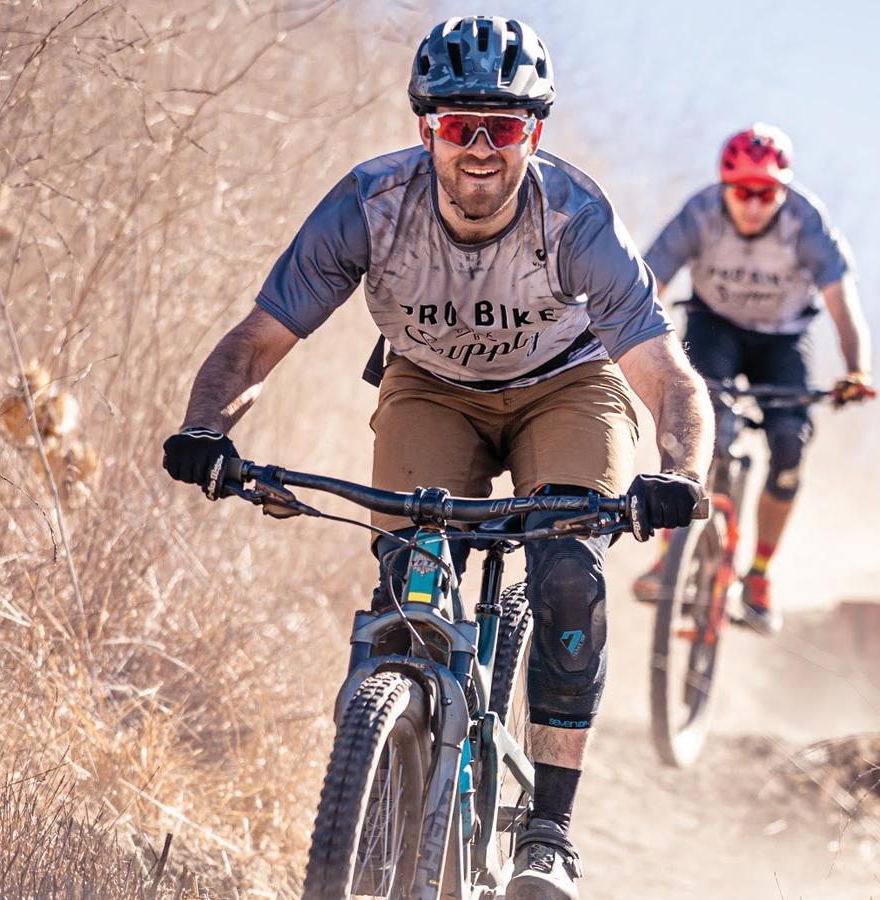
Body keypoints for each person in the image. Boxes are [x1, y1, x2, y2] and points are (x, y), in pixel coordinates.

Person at [160, 16, 711, 900]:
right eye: (461, 126)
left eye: (507, 127)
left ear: (537, 132)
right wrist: (205, 428)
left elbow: (669, 377)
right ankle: (386, 770)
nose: (483, 148)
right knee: (409, 577)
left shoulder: (575, 219)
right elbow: (257, 343)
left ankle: (549, 835)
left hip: (566, 386)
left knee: (568, 567)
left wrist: (681, 475)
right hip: (431, 386)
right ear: (426, 129)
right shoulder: (371, 206)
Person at [630, 123, 874, 634]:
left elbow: (842, 304)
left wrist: (856, 369)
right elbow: (646, 281)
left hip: (782, 341)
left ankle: (759, 576)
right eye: (742, 191)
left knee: (790, 446)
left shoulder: (807, 224)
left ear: (782, 191)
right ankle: (670, 555)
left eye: (767, 193)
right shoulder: (700, 213)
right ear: (725, 186)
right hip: (714, 327)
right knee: (696, 422)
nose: (754, 204)